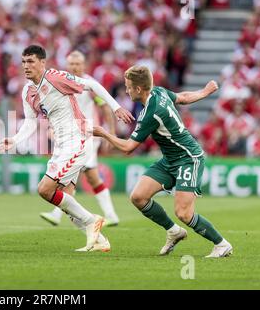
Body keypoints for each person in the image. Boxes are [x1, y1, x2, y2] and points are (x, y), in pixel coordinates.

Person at [0, 45, 134, 252]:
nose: (26, 66)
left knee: (45, 189)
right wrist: (15, 140)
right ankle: (100, 241)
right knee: (67, 199)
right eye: (24, 62)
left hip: (77, 141)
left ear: (43, 63)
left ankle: (93, 220)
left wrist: (116, 108)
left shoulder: (55, 77)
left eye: (31, 61)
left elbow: (92, 85)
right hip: (61, 146)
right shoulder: (28, 91)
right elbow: (31, 122)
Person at [93, 65, 233, 258]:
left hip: (188, 159)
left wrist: (103, 134)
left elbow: (127, 148)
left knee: (184, 213)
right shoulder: (158, 91)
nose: (126, 90)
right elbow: (182, 97)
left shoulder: (151, 112)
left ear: (139, 89)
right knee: (138, 197)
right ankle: (173, 231)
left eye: (128, 87)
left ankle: (221, 244)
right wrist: (205, 91)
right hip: (170, 159)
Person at [39, 50, 120, 227]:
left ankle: (57, 214)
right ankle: (111, 215)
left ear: (84, 65)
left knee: (69, 176)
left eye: (77, 64)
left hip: (87, 136)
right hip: (69, 136)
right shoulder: (60, 83)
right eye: (71, 64)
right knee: (90, 177)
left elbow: (104, 107)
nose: (74, 67)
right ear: (66, 65)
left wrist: (111, 132)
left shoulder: (88, 85)